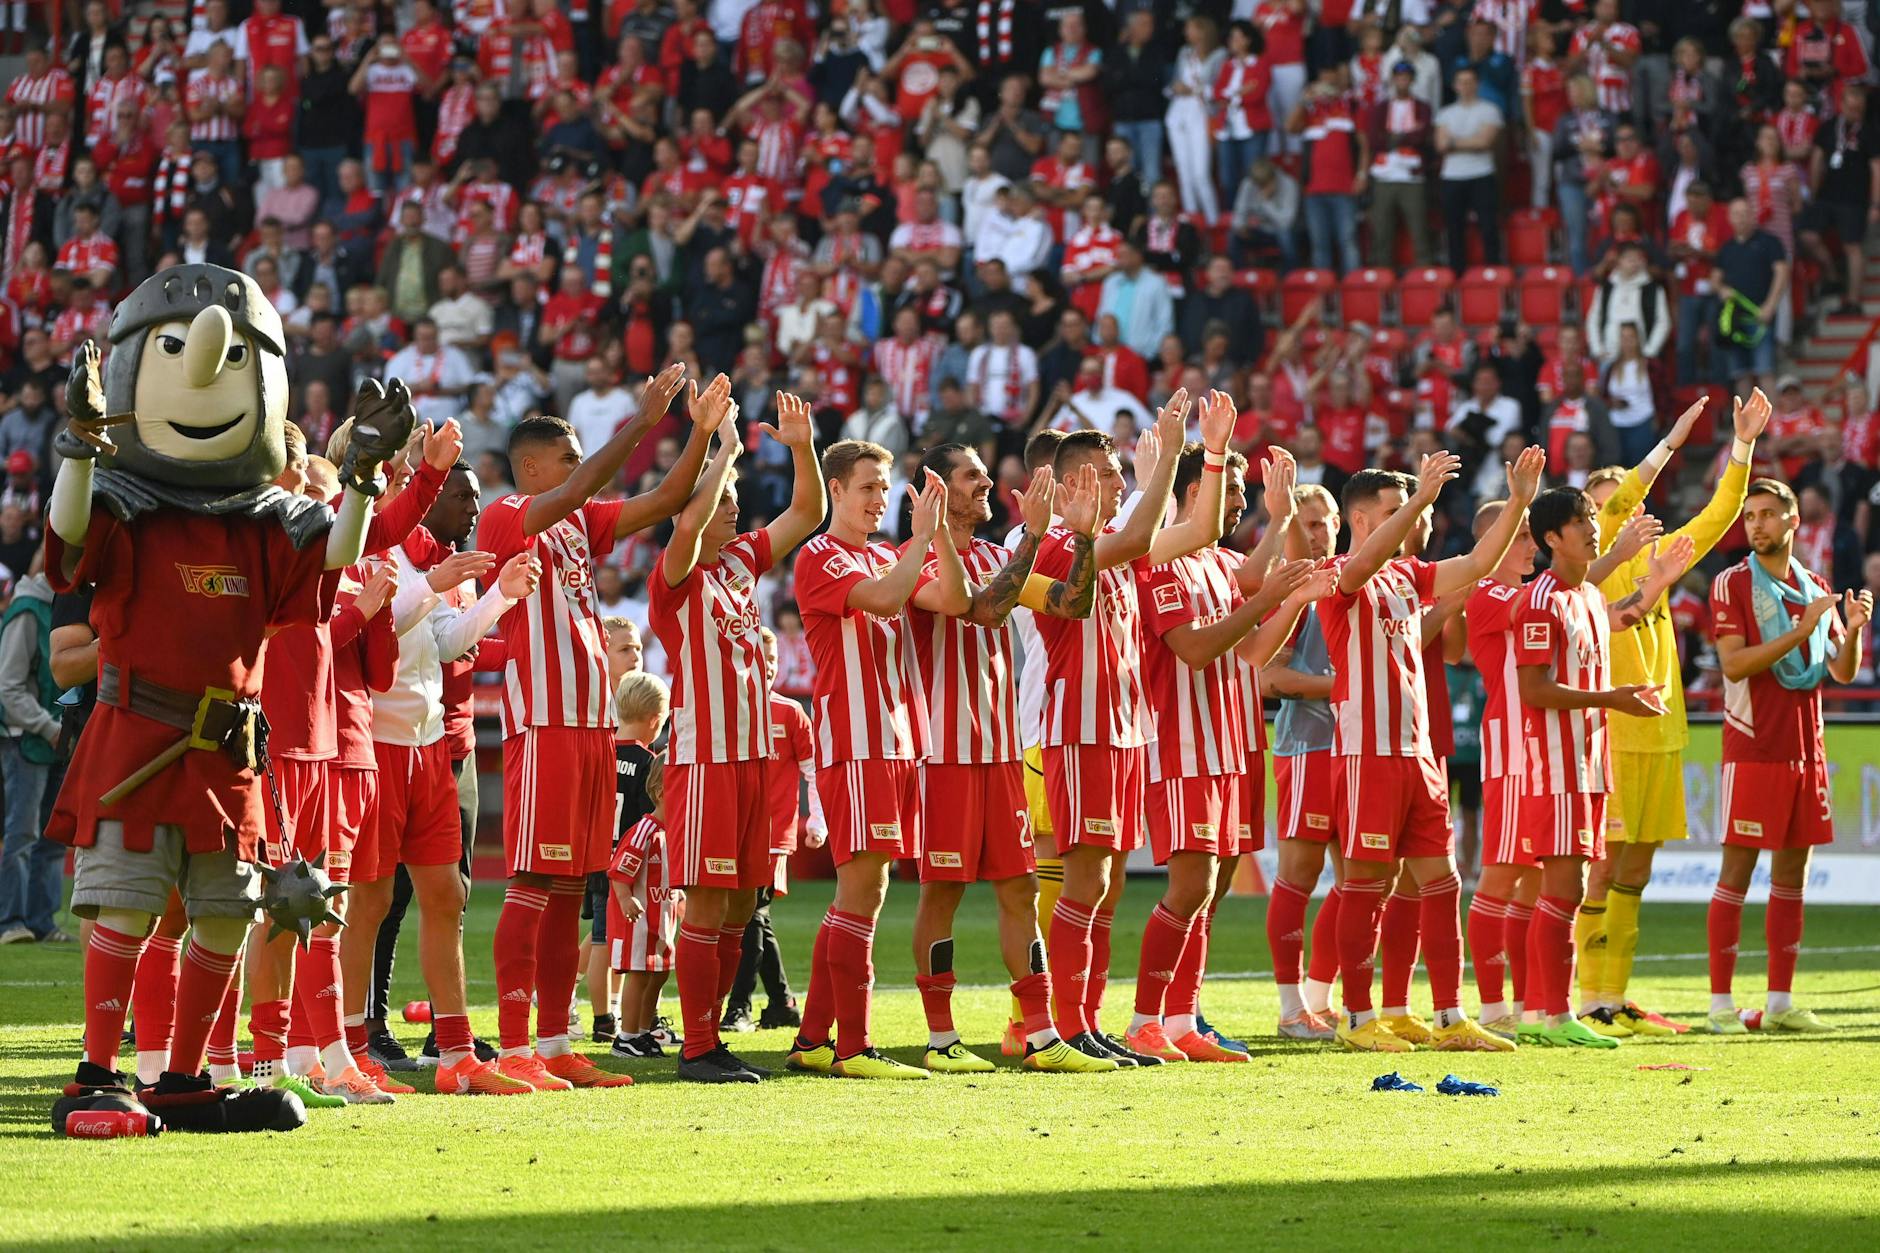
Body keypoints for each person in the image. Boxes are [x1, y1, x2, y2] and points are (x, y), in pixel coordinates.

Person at [477, 364, 723, 1091]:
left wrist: (704, 436)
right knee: (532, 882)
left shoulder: (579, 522)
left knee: (565, 890)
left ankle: (557, 1044)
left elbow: (669, 499)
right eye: (568, 456)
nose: (580, 468)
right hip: (543, 722)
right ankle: (513, 1046)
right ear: (531, 467)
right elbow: (582, 487)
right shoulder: (508, 512)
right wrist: (643, 420)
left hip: (590, 727)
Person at [1318, 447, 1546, 1054]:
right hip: (1367, 753)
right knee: (1366, 884)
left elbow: (1475, 563)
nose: (1411, 519)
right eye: (1393, 509)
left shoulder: (1406, 576)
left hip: (1417, 753)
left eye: (1411, 507)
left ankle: (1450, 1016)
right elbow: (1361, 565)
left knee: (1442, 883)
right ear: (1360, 519)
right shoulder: (1341, 573)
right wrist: (1420, 495)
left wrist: (1518, 501)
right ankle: (1356, 1017)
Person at [904, 442, 1115, 1074]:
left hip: (999, 751)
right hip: (943, 753)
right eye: (971, 475)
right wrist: (1036, 535)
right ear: (938, 488)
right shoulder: (914, 557)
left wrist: (1082, 539)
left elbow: (1071, 604)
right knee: (942, 892)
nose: (986, 482)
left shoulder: (999, 554)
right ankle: (941, 1038)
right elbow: (982, 607)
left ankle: (1042, 1036)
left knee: (1021, 890)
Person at [1576, 393, 1770, 1037]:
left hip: (1662, 732)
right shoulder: (1587, 573)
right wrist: (1670, 442)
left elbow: (1723, 510)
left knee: (1636, 871)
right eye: (1603, 507)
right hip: (1611, 733)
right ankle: (1587, 1000)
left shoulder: (1668, 555)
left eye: (1625, 503)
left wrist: (1742, 444)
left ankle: (1615, 998)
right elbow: (1620, 504)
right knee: (1602, 868)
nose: (1620, 512)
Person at [648, 388, 826, 1084]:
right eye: (723, 500)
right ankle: (696, 1046)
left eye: (734, 499)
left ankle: (712, 1036)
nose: (734, 508)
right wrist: (723, 448)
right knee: (708, 900)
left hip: (754, 758)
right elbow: (689, 523)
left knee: (743, 904)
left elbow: (807, 512)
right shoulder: (676, 575)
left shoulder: (740, 563)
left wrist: (803, 448)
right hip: (707, 758)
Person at [1128, 436, 1324, 1063]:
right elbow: (1193, 649)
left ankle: (1183, 1020)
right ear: (1197, 491)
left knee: (1210, 891)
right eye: (1234, 491)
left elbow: (1251, 652)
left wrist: (1292, 594)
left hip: (1232, 745)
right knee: (1190, 886)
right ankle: (1143, 1020)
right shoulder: (1161, 563)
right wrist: (1269, 597)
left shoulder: (1218, 564)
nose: (1241, 503)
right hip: (1182, 745)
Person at [1033, 393, 1215, 1067]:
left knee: (1105, 886)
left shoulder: (1112, 549)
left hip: (1125, 730)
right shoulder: (1057, 545)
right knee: (1084, 883)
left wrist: (1211, 455)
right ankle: (1064, 1027)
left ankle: (1087, 1020)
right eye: (1108, 473)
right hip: (1080, 731)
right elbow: (1139, 537)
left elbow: (1195, 532)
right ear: (1073, 483)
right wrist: (1166, 457)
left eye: (1119, 473)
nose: (1119, 483)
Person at [785, 441, 951, 1080]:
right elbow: (883, 601)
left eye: (885, 487)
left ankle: (812, 1039)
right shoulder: (820, 555)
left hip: (899, 740)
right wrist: (922, 540)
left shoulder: (886, 555)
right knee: (864, 890)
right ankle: (853, 1048)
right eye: (867, 487)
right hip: (856, 741)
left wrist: (938, 538)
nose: (880, 499)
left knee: (860, 891)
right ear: (835, 489)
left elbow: (951, 601)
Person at [1512, 487, 1692, 1048]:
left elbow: (1620, 616)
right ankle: (1549, 1014)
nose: (1593, 529)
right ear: (1551, 538)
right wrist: (1611, 699)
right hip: (1556, 766)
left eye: (1593, 518)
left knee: (1569, 892)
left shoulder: (1586, 596)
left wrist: (1656, 583)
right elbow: (1533, 689)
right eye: (1581, 521)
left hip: (1590, 762)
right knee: (1561, 891)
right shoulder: (1540, 600)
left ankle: (1545, 1013)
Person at [1706, 478, 1871, 1035]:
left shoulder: (1814, 586)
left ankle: (1780, 1003)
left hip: (1807, 748)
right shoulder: (1731, 583)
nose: (1757, 524)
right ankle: (1720, 1006)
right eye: (1750, 515)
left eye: (1768, 514)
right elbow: (1733, 665)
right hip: (1754, 745)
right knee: (1736, 872)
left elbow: (1841, 670)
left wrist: (1853, 631)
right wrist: (1802, 628)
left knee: (1793, 875)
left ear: (1794, 521)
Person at [1260, 484, 1342, 1033]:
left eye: (1324, 521)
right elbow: (1268, 677)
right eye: (1305, 524)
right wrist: (1345, 687)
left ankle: (1319, 996)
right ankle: (1291, 1008)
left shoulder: (1354, 577)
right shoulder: (1290, 588)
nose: (1317, 533)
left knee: (1362, 877)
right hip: (1308, 745)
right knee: (1299, 874)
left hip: (1358, 746)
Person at [719, 627, 824, 1035]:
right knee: (753, 919)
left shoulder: (790, 713)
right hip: (734, 831)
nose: (767, 667)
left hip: (774, 834)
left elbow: (813, 770)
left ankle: (739, 1008)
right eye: (759, 659)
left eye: (773, 661)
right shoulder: (728, 709)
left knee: (751, 916)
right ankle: (781, 1003)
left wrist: (816, 820)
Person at [604, 671, 675, 1058]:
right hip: (636, 908)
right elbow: (622, 868)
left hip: (656, 910)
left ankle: (642, 1029)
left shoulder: (604, 753)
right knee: (633, 968)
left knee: (655, 971)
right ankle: (625, 1034)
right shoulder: (646, 828)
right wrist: (625, 896)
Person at [0, 553, 67, 945]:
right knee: (23, 833)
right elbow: (8, 688)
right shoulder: (28, 610)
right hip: (25, 739)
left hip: (59, 737)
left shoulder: (67, 607)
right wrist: (49, 728)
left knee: (54, 835)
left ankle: (42, 921)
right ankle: (10, 920)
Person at [1801, 81, 1880, 319]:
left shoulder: (1869, 132)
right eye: (1851, 105)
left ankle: (1853, 301)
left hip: (1854, 200)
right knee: (1808, 236)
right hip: (1826, 195)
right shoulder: (1828, 128)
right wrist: (1813, 192)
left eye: (1859, 107)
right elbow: (1817, 159)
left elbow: (1876, 168)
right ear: (1842, 104)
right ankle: (1833, 276)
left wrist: (1875, 204)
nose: (1855, 110)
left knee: (1852, 246)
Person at [1434, 67, 1504, 272]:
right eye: (1461, 82)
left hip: (1482, 174)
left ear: (1477, 84)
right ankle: (1458, 275)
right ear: (1455, 86)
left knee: (1488, 227)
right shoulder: (1445, 113)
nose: (1465, 86)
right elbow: (1441, 145)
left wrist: (1454, 142)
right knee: (1454, 229)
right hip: (1452, 176)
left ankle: (1493, 272)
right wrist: (1471, 141)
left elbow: (1484, 142)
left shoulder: (1490, 110)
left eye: (1470, 81)